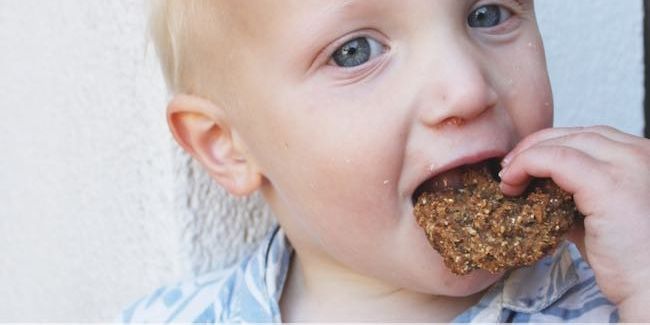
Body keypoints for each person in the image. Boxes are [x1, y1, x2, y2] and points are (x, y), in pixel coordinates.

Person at [120, 0, 650, 322]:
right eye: (355, 51)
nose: (466, 88)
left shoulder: (618, 298)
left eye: (486, 14)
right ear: (227, 146)